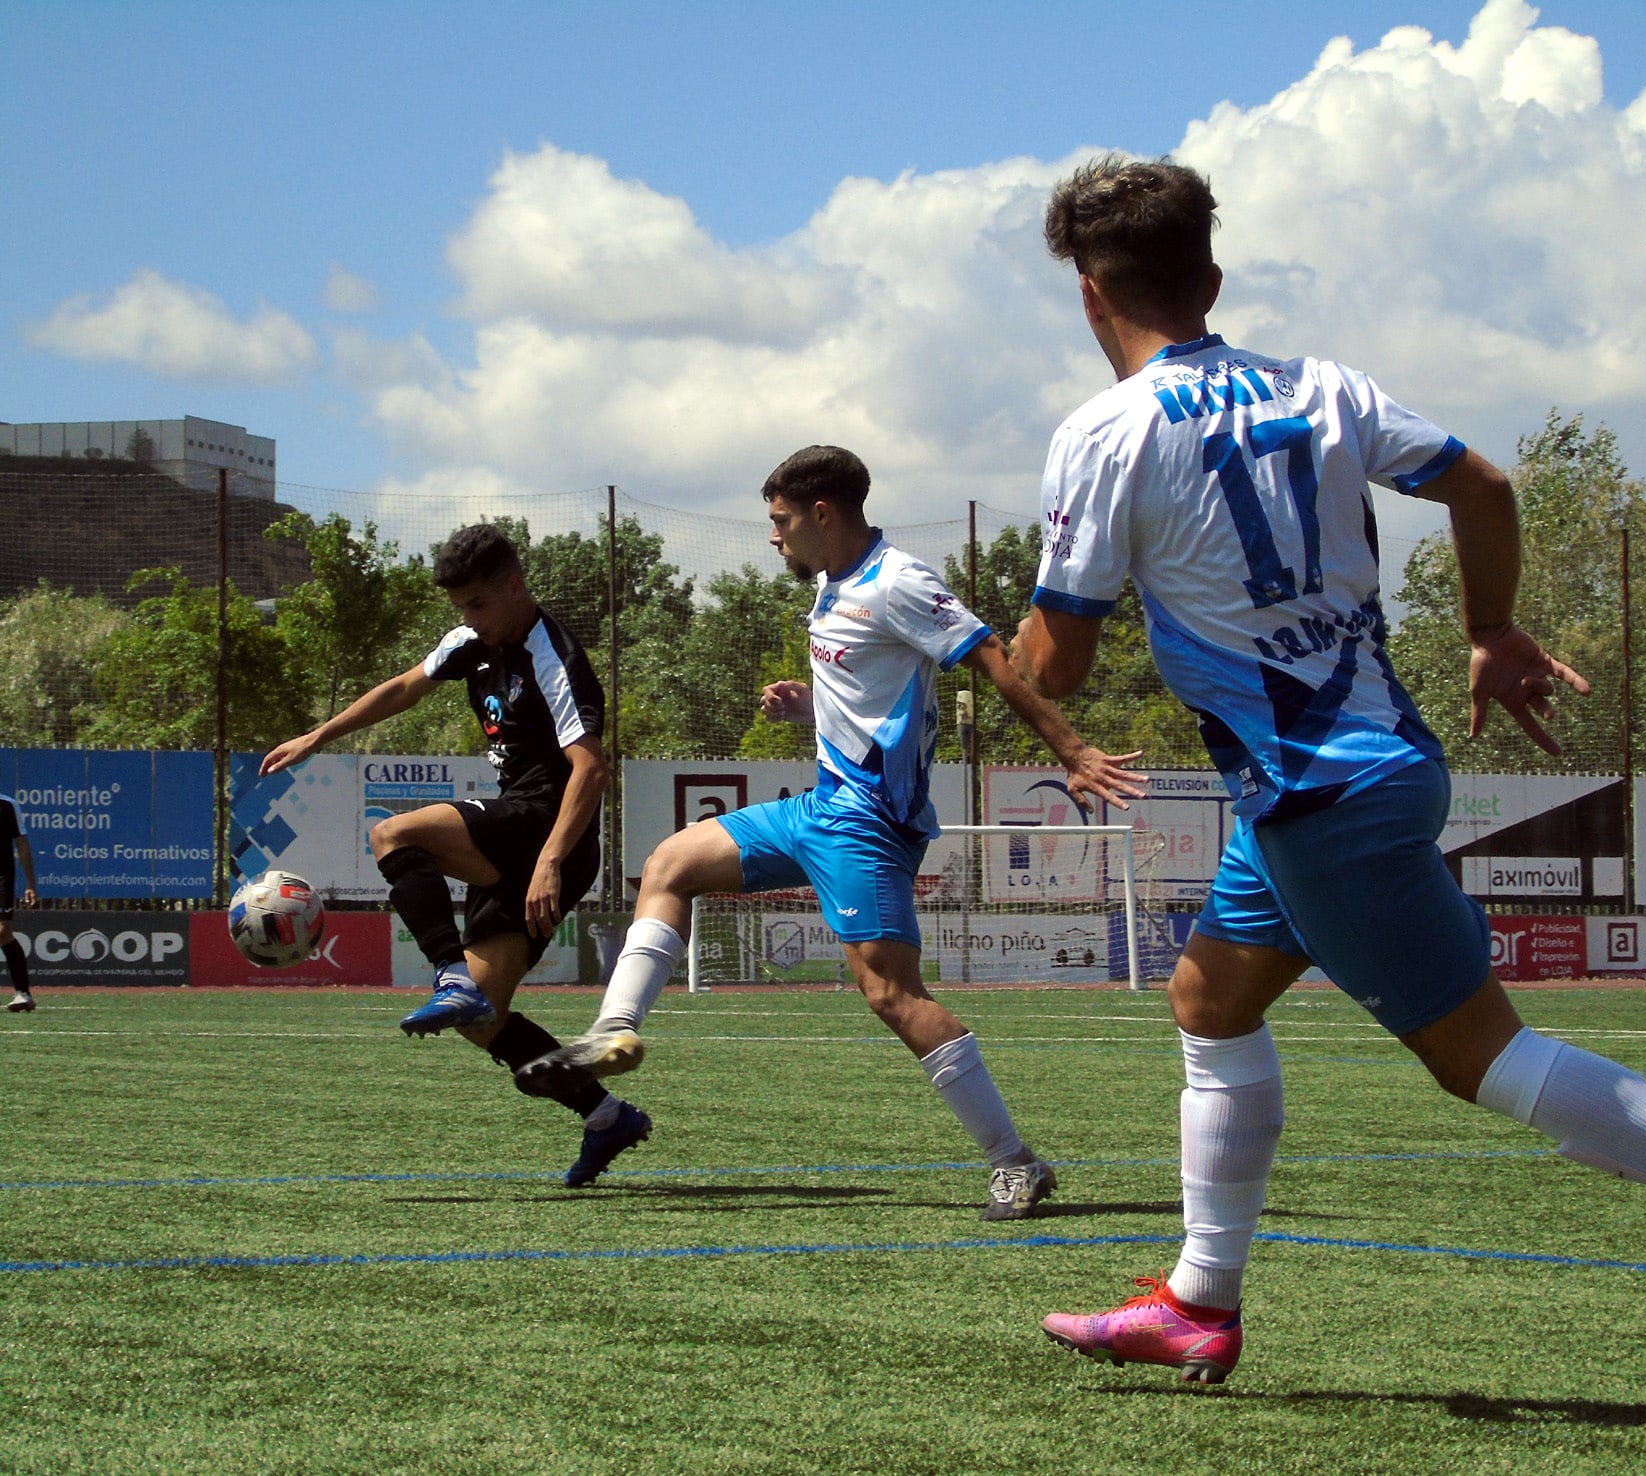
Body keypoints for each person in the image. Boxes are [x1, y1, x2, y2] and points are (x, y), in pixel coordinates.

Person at [1019, 156, 1646, 1382]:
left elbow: (1062, 662)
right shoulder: (1323, 387)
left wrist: (1005, 650)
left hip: (1322, 796)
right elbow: (1484, 485)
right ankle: (1199, 1295)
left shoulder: (1100, 436)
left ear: (1090, 298)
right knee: (1209, 1000)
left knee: (1482, 1061)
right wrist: (1489, 628)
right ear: (1211, 272)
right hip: (1357, 766)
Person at [516, 445, 1146, 1219]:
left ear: (823, 514)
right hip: (820, 806)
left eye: (780, 521)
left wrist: (1072, 751)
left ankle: (1015, 1161)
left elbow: (992, 660)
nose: (772, 537)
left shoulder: (899, 583)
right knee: (669, 863)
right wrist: (809, 710)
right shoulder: (831, 583)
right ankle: (613, 1032)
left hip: (867, 823)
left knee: (891, 995)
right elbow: (876, 697)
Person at [260, 523, 651, 1188]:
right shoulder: (472, 641)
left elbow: (590, 771)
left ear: (514, 586)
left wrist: (552, 860)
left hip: (547, 827)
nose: (468, 618)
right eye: (459, 608)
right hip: (525, 833)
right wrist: (319, 735)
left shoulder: (551, 655)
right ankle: (605, 1117)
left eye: (477, 604)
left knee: (393, 834)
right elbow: (404, 686)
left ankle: (449, 974)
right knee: (484, 1023)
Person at [1, 791, 38, 1013]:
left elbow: (22, 844)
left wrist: (31, 884)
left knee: (3, 931)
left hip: (2, 877)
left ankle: (23, 993)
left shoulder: (7, 805)